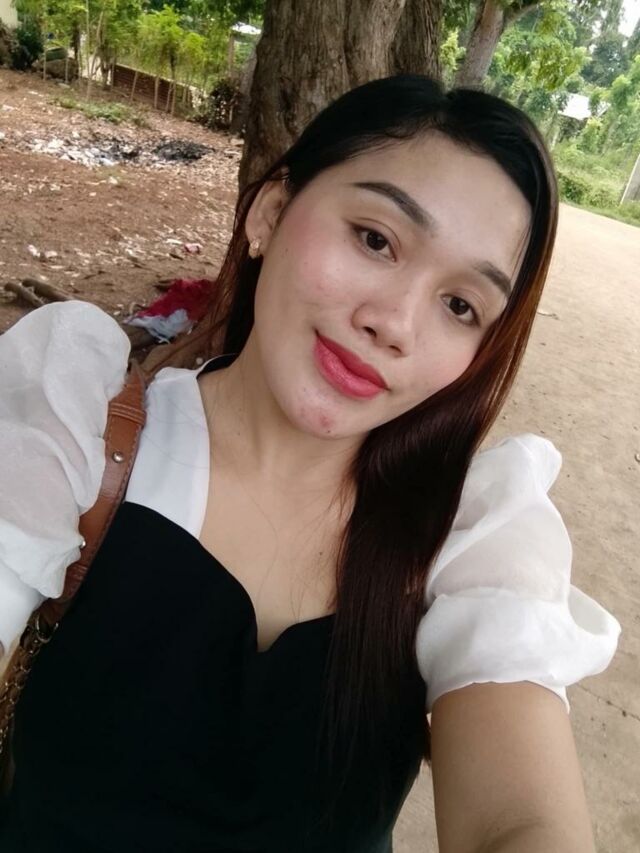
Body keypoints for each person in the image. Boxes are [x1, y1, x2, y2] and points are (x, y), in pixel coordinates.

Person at [0, 75, 620, 853]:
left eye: (460, 305)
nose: (394, 324)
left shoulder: (466, 541)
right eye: (375, 239)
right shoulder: (75, 427)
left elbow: (519, 820)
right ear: (269, 212)